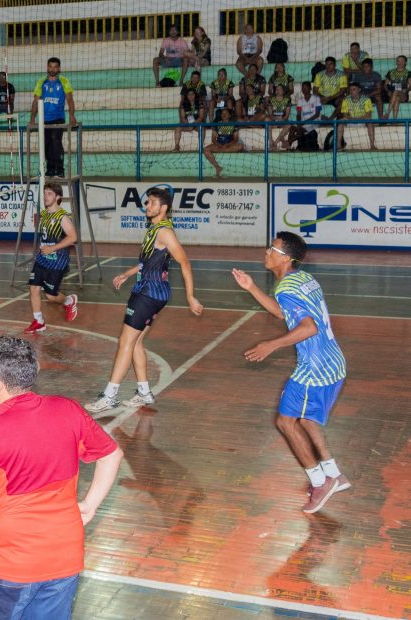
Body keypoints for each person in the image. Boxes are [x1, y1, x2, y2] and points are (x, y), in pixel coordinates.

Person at [0, 336, 122, 620]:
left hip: (12, 562)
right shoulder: (68, 409)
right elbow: (112, 454)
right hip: (65, 555)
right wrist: (90, 505)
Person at [231, 232, 350, 514]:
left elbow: (308, 327)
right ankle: (334, 473)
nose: (266, 251)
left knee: (286, 423)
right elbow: (285, 315)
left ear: (284, 257)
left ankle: (320, 482)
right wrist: (251, 288)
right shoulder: (302, 279)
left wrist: (270, 344)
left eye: (271, 248)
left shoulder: (287, 288)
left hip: (315, 369)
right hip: (334, 363)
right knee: (306, 419)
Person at [85, 187, 202, 414]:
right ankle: (143, 392)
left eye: (151, 203)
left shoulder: (165, 232)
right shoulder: (154, 228)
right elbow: (149, 262)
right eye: (147, 202)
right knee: (136, 342)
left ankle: (109, 396)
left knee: (125, 342)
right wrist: (128, 274)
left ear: (164, 207)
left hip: (149, 294)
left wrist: (190, 296)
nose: (147, 206)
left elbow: (185, 263)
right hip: (148, 290)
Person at [24, 183, 79, 334]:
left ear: (58, 197)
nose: (45, 196)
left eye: (49, 193)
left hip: (57, 261)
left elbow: (73, 237)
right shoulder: (44, 214)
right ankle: (38, 321)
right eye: (45, 193)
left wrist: (52, 248)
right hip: (42, 258)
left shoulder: (62, 217)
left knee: (50, 295)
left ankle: (69, 300)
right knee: (34, 287)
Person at [30, 57, 77, 178]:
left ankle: (60, 169)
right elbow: (35, 101)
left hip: (58, 118)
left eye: (55, 67)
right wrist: (32, 118)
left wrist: (72, 116)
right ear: (47, 67)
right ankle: (50, 169)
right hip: (43, 120)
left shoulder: (64, 81)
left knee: (56, 141)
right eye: (50, 66)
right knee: (46, 144)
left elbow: (70, 100)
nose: (52, 69)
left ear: (59, 68)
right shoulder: (41, 82)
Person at [203, 107, 244, 178]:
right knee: (206, 150)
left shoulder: (234, 124)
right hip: (219, 145)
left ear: (229, 115)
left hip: (230, 145)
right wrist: (220, 145)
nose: (224, 115)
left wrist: (227, 145)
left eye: (226, 113)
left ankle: (223, 150)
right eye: (222, 113)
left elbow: (235, 139)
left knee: (240, 146)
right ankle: (217, 167)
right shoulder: (216, 124)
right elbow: (213, 139)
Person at [335, 82, 378, 150]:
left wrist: (357, 119)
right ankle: (338, 145)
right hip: (351, 120)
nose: (352, 91)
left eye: (354, 89)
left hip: (362, 121)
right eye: (350, 90)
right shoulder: (346, 100)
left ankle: (372, 145)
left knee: (370, 123)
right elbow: (345, 115)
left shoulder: (366, 100)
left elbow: (368, 115)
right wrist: (352, 118)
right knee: (340, 122)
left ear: (359, 90)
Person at [285, 81, 323, 151]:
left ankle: (289, 143)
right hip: (303, 122)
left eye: (306, 87)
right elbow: (298, 114)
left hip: (314, 121)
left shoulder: (316, 98)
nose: (304, 89)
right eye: (303, 87)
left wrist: (304, 122)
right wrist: (299, 123)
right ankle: (289, 146)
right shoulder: (300, 101)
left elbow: (317, 114)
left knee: (300, 131)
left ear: (310, 88)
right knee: (292, 128)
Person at [173, 87, 207, 152]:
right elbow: (183, 118)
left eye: (192, 94)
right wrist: (189, 125)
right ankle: (177, 146)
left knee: (202, 128)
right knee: (178, 127)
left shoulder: (200, 103)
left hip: (197, 123)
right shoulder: (183, 104)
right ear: (186, 96)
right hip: (187, 123)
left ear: (195, 95)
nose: (190, 96)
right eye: (189, 94)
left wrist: (193, 124)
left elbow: (201, 117)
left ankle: (201, 146)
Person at [267, 83, 293, 150]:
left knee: (289, 124)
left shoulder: (287, 100)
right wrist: (275, 119)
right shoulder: (271, 99)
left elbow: (287, 116)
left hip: (283, 121)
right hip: (273, 121)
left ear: (283, 91)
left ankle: (275, 143)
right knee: (267, 120)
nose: (278, 90)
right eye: (277, 89)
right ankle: (270, 142)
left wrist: (281, 120)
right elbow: (270, 114)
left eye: (280, 89)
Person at [384, 54, 409, 120]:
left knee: (396, 91)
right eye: (398, 61)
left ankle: (387, 113)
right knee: (396, 98)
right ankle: (394, 120)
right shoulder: (391, 72)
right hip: (392, 95)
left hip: (403, 95)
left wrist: (406, 90)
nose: (399, 62)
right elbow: (385, 85)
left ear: (405, 62)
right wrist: (387, 91)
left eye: (401, 61)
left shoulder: (408, 73)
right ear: (396, 62)